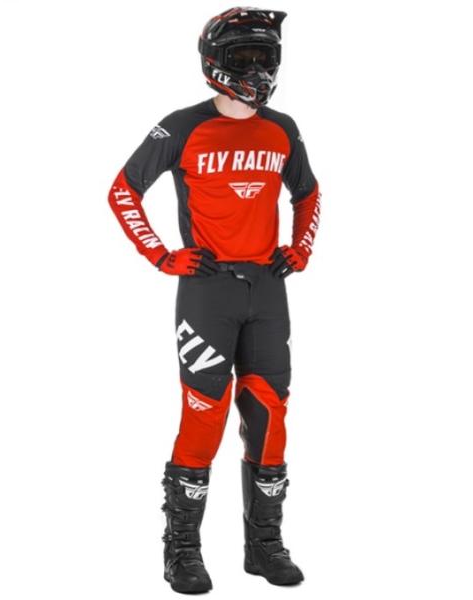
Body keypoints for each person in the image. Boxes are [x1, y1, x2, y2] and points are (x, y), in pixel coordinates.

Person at [108, 6, 321, 593]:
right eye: (243, 57)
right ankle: (182, 551)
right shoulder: (180, 126)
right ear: (214, 63)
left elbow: (308, 192)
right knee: (204, 415)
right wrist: (160, 255)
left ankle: (264, 545)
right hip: (206, 290)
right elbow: (123, 191)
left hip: (269, 290)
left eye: (265, 55)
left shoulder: (283, 128)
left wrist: (301, 248)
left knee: (270, 416)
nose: (257, 68)